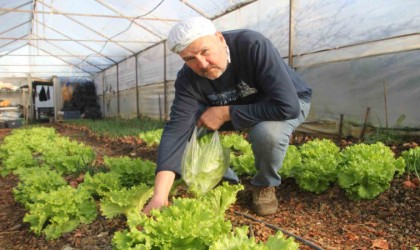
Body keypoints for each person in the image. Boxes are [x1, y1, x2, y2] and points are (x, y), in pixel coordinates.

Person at [143, 16, 312, 216]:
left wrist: (226, 112)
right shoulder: (188, 79)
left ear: (220, 39)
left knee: (268, 133)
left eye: (204, 52)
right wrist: (159, 196)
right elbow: (176, 130)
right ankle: (226, 180)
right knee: (190, 126)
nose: (202, 64)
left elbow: (287, 107)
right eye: (189, 59)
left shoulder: (252, 45)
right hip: (241, 106)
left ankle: (264, 184)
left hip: (286, 102)